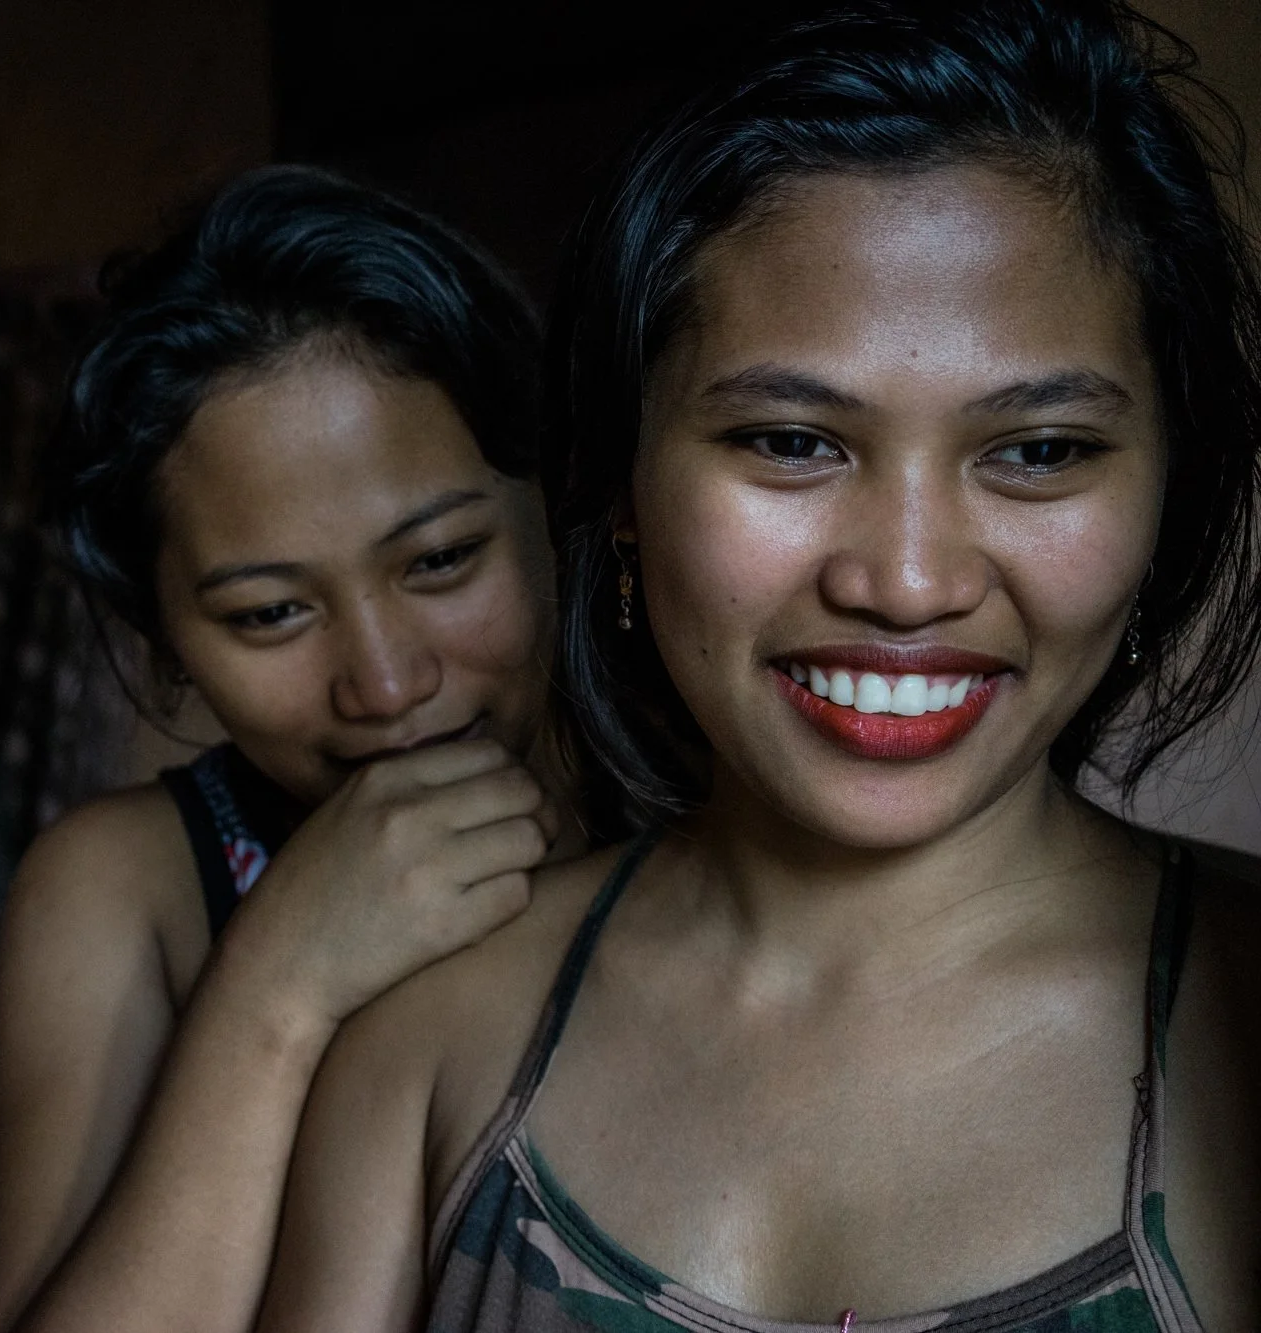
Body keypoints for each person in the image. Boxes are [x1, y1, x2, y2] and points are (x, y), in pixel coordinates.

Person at [259, 3, 1261, 1330]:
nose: (906, 581)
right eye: (791, 441)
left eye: (1040, 451)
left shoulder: (1247, 1020)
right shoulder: (435, 1027)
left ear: (1167, 496)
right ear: (620, 481)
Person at [0, 167, 573, 1333]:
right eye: (270, 614)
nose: (384, 683)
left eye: (440, 560)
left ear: (556, 512)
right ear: (167, 642)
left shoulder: (701, 830)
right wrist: (277, 985)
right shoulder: (128, 891)